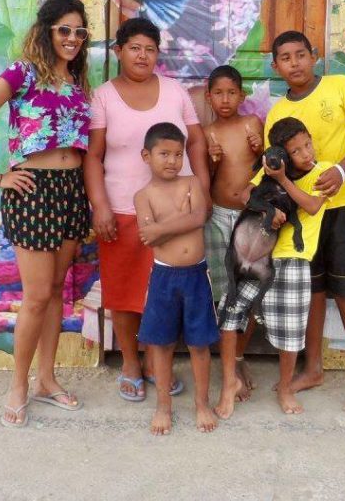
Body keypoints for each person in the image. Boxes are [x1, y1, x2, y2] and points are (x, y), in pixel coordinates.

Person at [0, 0, 93, 427]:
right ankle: (19, 384)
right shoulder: (23, 72)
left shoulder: (78, 81)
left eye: (79, 31)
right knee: (36, 296)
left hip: (70, 189)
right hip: (33, 190)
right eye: (64, 30)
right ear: (46, 30)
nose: (72, 38)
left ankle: (47, 380)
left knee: (57, 291)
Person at [83, 17, 210, 403]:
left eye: (150, 49)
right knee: (124, 294)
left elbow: (197, 144)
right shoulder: (103, 96)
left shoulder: (175, 92)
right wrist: (100, 205)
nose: (142, 55)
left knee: (165, 292)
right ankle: (130, 365)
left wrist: (201, 189)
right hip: (122, 209)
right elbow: (93, 155)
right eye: (135, 47)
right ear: (118, 51)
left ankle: (158, 365)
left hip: (177, 212)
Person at [264, 31, 345, 412]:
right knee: (310, 292)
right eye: (285, 57)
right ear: (275, 65)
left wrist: (342, 172)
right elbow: (276, 170)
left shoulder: (338, 85)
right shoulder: (277, 112)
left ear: (314, 56)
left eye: (300, 54)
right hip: (304, 217)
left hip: (344, 205)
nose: (294, 63)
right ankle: (312, 369)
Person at [216, 117, 329, 417]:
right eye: (296, 150)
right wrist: (268, 206)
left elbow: (313, 205)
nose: (306, 153)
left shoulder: (322, 172)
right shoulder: (269, 168)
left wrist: (281, 182)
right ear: (281, 153)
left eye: (307, 144)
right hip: (256, 252)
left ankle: (285, 387)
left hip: (293, 258)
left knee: (291, 329)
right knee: (231, 314)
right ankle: (229, 382)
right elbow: (243, 196)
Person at [134, 123, 218, 435]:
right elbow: (149, 237)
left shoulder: (193, 182)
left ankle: (201, 403)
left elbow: (199, 216)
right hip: (164, 277)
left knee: (199, 344)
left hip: (196, 275)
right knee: (162, 344)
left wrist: (166, 224)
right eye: (164, 154)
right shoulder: (143, 196)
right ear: (147, 156)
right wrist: (181, 218)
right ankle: (163, 407)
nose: (172, 160)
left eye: (178, 154)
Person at [202, 64, 264, 398]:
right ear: (208, 95)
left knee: (250, 290)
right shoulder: (206, 131)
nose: (225, 100)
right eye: (218, 93)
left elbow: (267, 169)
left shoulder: (251, 124)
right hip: (218, 217)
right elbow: (208, 177)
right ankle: (227, 361)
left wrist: (260, 150)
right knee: (224, 292)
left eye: (231, 92)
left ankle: (240, 355)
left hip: (251, 218)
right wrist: (211, 160)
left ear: (241, 95)